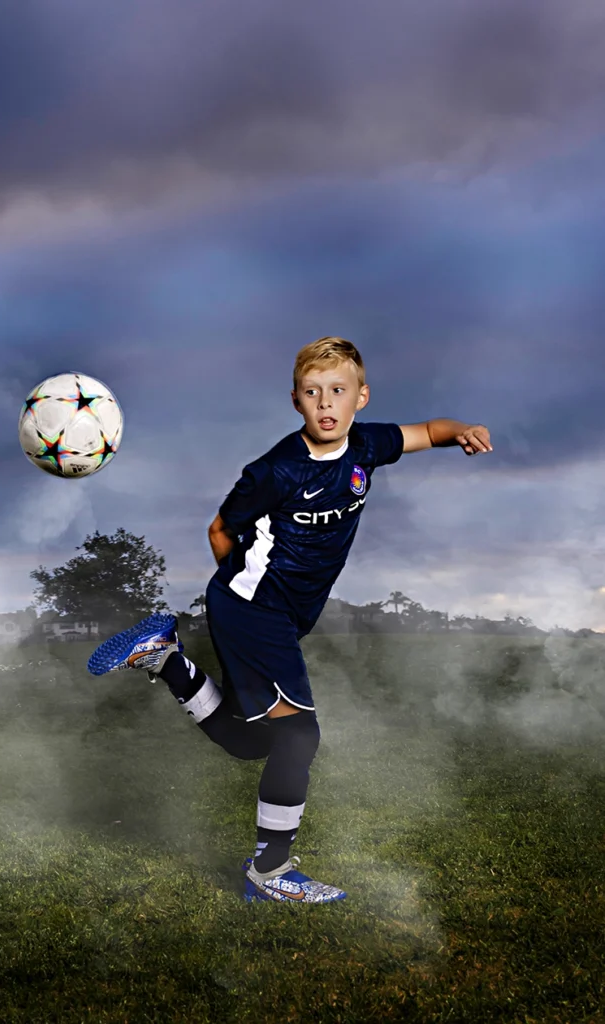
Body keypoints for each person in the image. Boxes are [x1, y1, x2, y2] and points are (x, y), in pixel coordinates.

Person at [88, 336, 493, 902]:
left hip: (279, 614)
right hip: (255, 608)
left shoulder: (367, 446)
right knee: (300, 735)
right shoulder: (275, 470)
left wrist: (463, 432)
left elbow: (428, 431)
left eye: (337, 391)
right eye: (312, 393)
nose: (326, 403)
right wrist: (241, 594)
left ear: (360, 398)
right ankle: (269, 874)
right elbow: (218, 530)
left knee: (251, 742)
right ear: (296, 401)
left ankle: (166, 659)